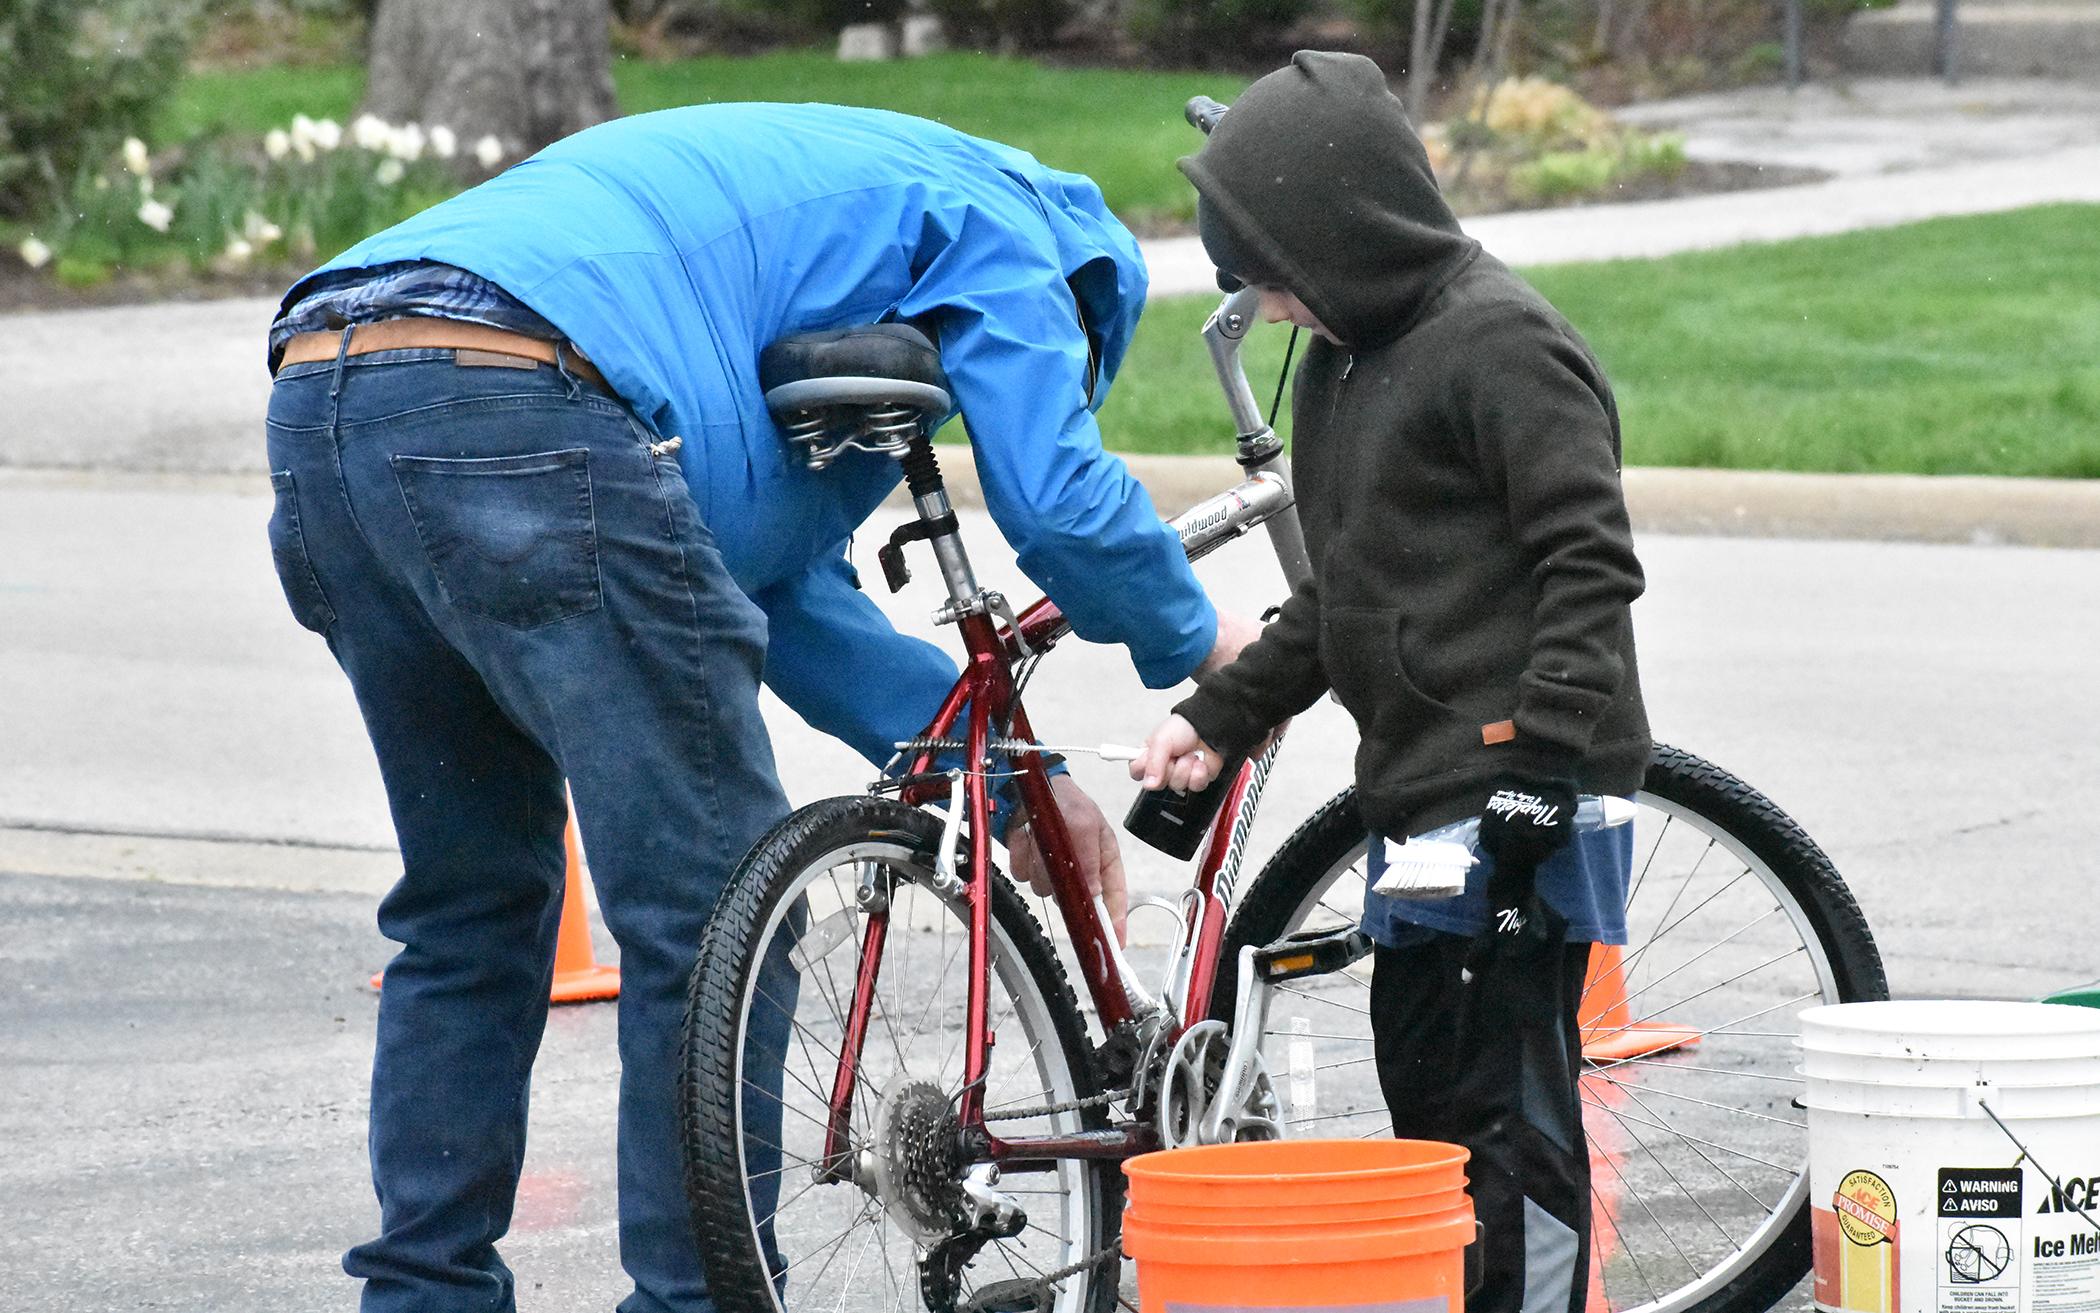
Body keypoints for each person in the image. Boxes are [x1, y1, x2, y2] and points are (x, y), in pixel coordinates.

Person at [263, 103, 1257, 1313]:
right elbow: (1052, 499)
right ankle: (699, 1301)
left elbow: (780, 595)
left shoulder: (835, 207)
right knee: (716, 913)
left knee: (470, 911)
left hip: (327, 393)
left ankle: (424, 1296)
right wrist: (1204, 638)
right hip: (537, 393)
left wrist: (1004, 779)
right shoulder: (1013, 227)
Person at [1129, 52, 1652, 1313]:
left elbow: (1592, 558)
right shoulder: (1347, 364)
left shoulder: (1503, 345)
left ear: (1344, 229)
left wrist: (1541, 763)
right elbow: (1340, 586)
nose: (1264, 301)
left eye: (1270, 270)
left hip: (1525, 779)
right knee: (1431, 1091)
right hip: (1420, 799)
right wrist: (1222, 711)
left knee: (1505, 1108)